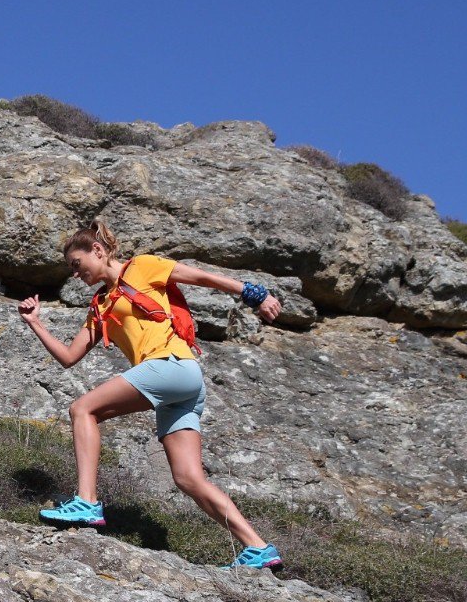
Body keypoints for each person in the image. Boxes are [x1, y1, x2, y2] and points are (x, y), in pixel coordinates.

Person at [17, 219, 284, 570]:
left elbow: (202, 277)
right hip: (181, 388)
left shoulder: (142, 266)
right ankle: (257, 548)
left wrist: (255, 293)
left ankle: (86, 501)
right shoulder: (100, 305)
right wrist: (35, 322)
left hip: (171, 365)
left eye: (76, 264)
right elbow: (69, 358)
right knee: (188, 478)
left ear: (97, 251)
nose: (74, 274)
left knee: (83, 409)